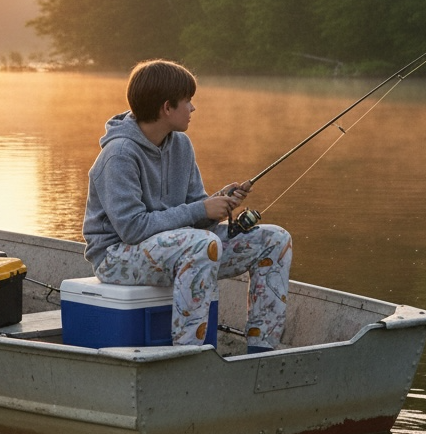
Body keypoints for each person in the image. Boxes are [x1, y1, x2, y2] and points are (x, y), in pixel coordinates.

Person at [83, 59, 292, 351]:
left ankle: (261, 352)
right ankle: (187, 356)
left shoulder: (181, 145)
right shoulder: (118, 156)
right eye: (187, 101)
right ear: (167, 108)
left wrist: (219, 201)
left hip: (178, 246)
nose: (192, 109)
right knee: (200, 245)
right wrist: (200, 210)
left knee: (275, 239)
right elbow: (131, 229)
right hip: (116, 256)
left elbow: (195, 213)